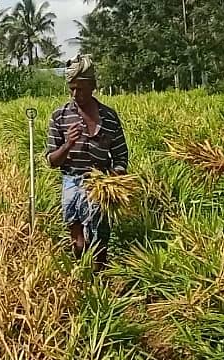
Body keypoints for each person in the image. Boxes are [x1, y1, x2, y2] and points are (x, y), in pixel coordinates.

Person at [45, 54, 129, 270]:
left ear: (92, 86)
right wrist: (67, 145)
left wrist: (114, 176)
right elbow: (52, 160)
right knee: (78, 241)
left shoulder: (109, 117)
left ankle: (99, 278)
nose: (75, 94)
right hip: (72, 182)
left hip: (101, 184)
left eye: (80, 89)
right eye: (71, 88)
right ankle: (82, 275)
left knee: (100, 239)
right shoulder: (60, 116)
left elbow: (121, 156)